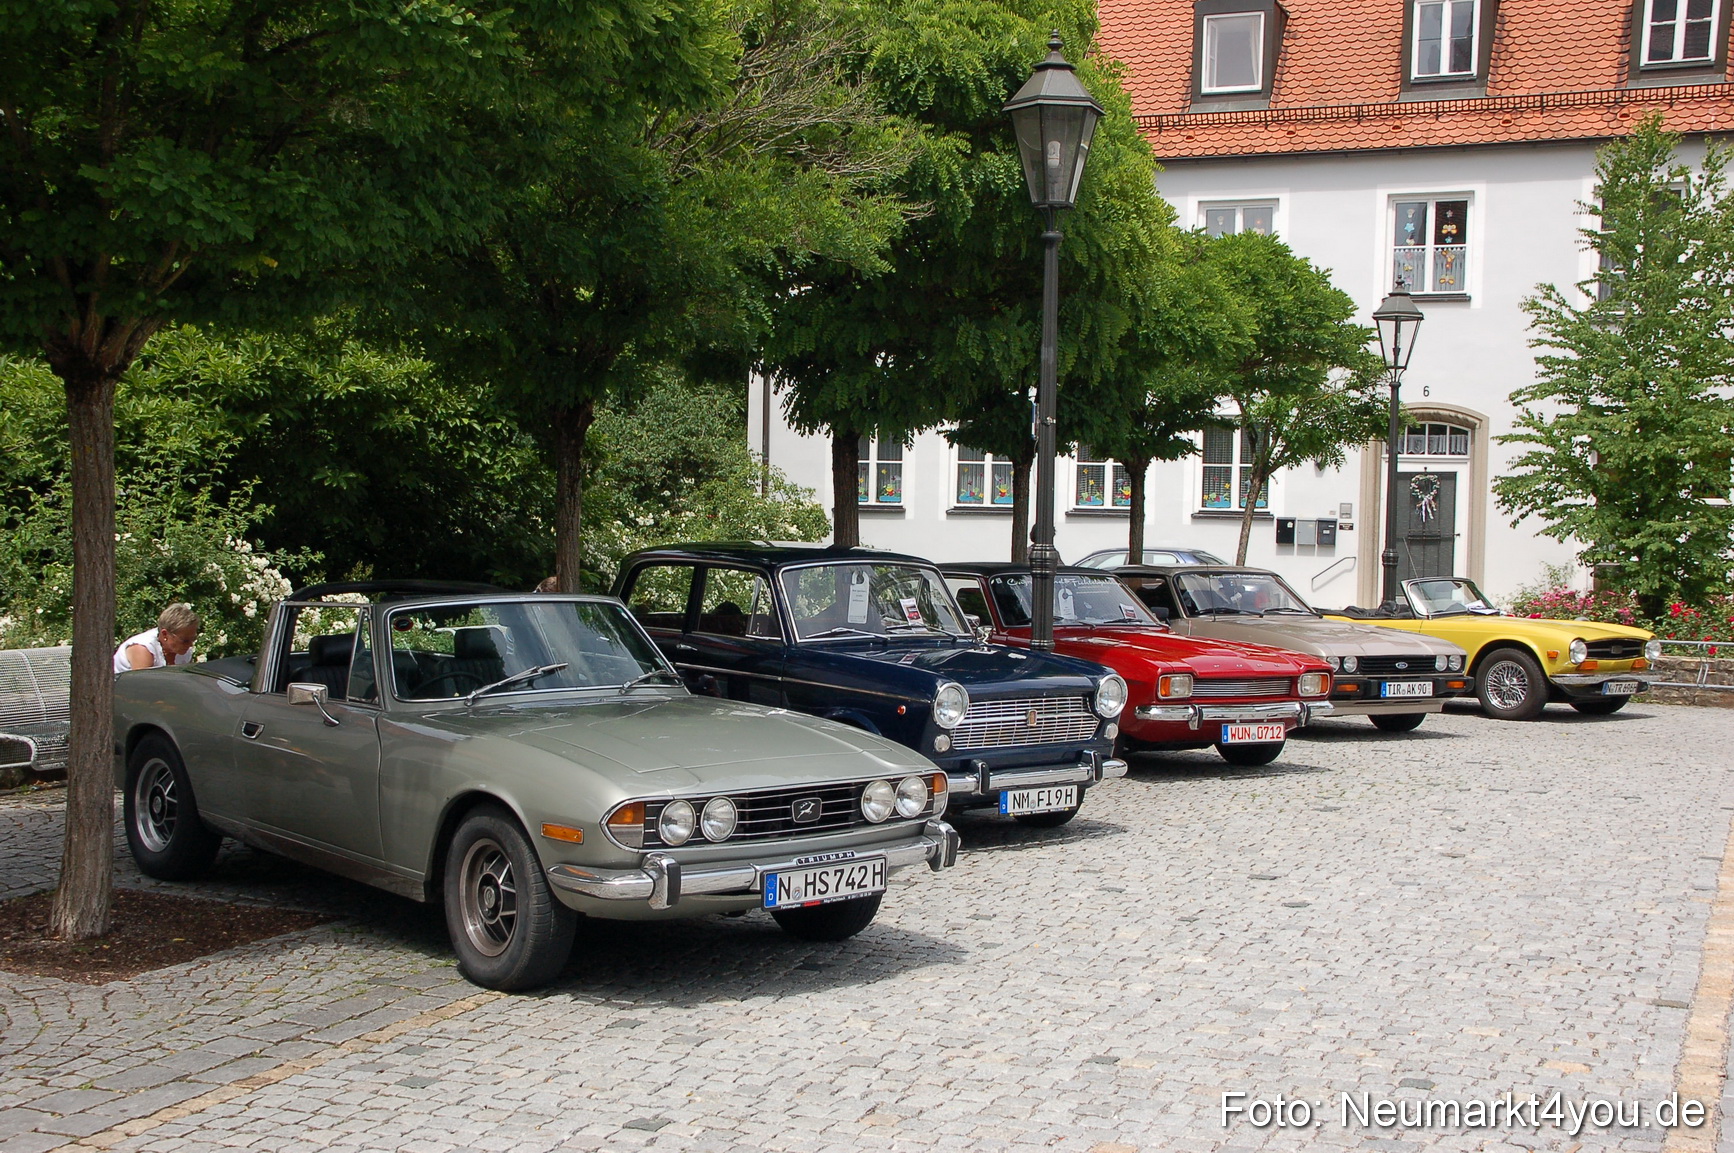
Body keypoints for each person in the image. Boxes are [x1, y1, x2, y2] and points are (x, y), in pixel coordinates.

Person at [113, 604, 201, 673]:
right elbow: (143, 687)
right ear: (165, 634)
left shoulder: (183, 650)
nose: (190, 644)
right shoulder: (143, 648)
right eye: (185, 640)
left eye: (193, 638)